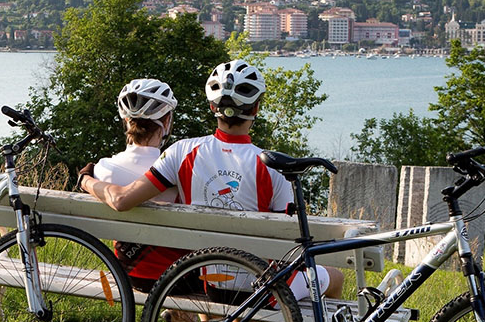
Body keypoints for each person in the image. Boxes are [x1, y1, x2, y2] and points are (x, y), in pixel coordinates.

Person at [79, 60, 344, 303]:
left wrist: (87, 180)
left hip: (208, 280)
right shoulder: (273, 167)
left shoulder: (182, 153)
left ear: (212, 107)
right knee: (336, 276)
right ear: (256, 108)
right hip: (261, 291)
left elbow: (123, 199)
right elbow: (287, 241)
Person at [78, 78, 188, 292]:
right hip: (180, 277)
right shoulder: (177, 170)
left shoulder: (103, 170)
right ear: (166, 122)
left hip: (129, 275)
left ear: (127, 121)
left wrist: (85, 179)